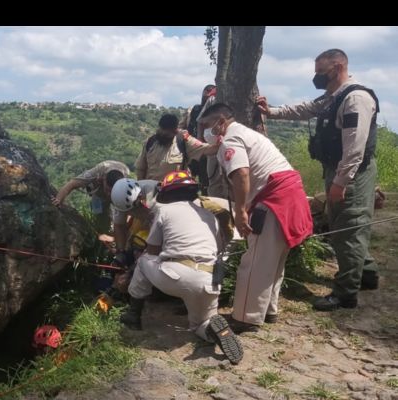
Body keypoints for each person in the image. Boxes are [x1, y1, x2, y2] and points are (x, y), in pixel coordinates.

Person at [256, 48, 380, 311]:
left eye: (320, 72)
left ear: (337, 68)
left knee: (349, 228)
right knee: (347, 225)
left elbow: (355, 147)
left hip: (351, 172)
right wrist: (271, 111)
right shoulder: (333, 97)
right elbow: (306, 109)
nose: (317, 77)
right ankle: (366, 275)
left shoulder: (355, 99)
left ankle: (346, 294)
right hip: (335, 169)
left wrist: (341, 182)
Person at [199, 103, 312, 332]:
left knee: (256, 260)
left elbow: (241, 174)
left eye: (207, 125)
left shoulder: (231, 139)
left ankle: (246, 317)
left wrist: (240, 211)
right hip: (288, 194)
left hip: (273, 199)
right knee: (273, 259)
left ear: (221, 122)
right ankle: (268, 310)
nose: (204, 131)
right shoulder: (245, 133)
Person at [119, 171, 244, 364]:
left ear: (166, 194)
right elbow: (217, 251)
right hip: (210, 280)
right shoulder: (209, 216)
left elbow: (151, 251)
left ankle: (133, 315)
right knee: (199, 324)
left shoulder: (164, 211)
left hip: (178, 277)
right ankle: (213, 329)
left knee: (144, 261)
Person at [52, 160, 130, 241]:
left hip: (119, 195)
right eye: (107, 190)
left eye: (112, 191)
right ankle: (106, 239)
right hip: (98, 194)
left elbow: (129, 211)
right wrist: (58, 199)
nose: (109, 194)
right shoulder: (96, 172)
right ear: (103, 179)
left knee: (122, 221)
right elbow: (71, 184)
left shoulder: (126, 184)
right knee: (100, 219)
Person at [136, 113, 185, 182]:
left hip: (174, 189)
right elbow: (140, 168)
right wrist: (140, 187)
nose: (163, 135)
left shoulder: (182, 143)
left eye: (167, 134)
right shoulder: (150, 142)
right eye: (161, 131)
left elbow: (204, 148)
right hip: (151, 189)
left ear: (175, 132)